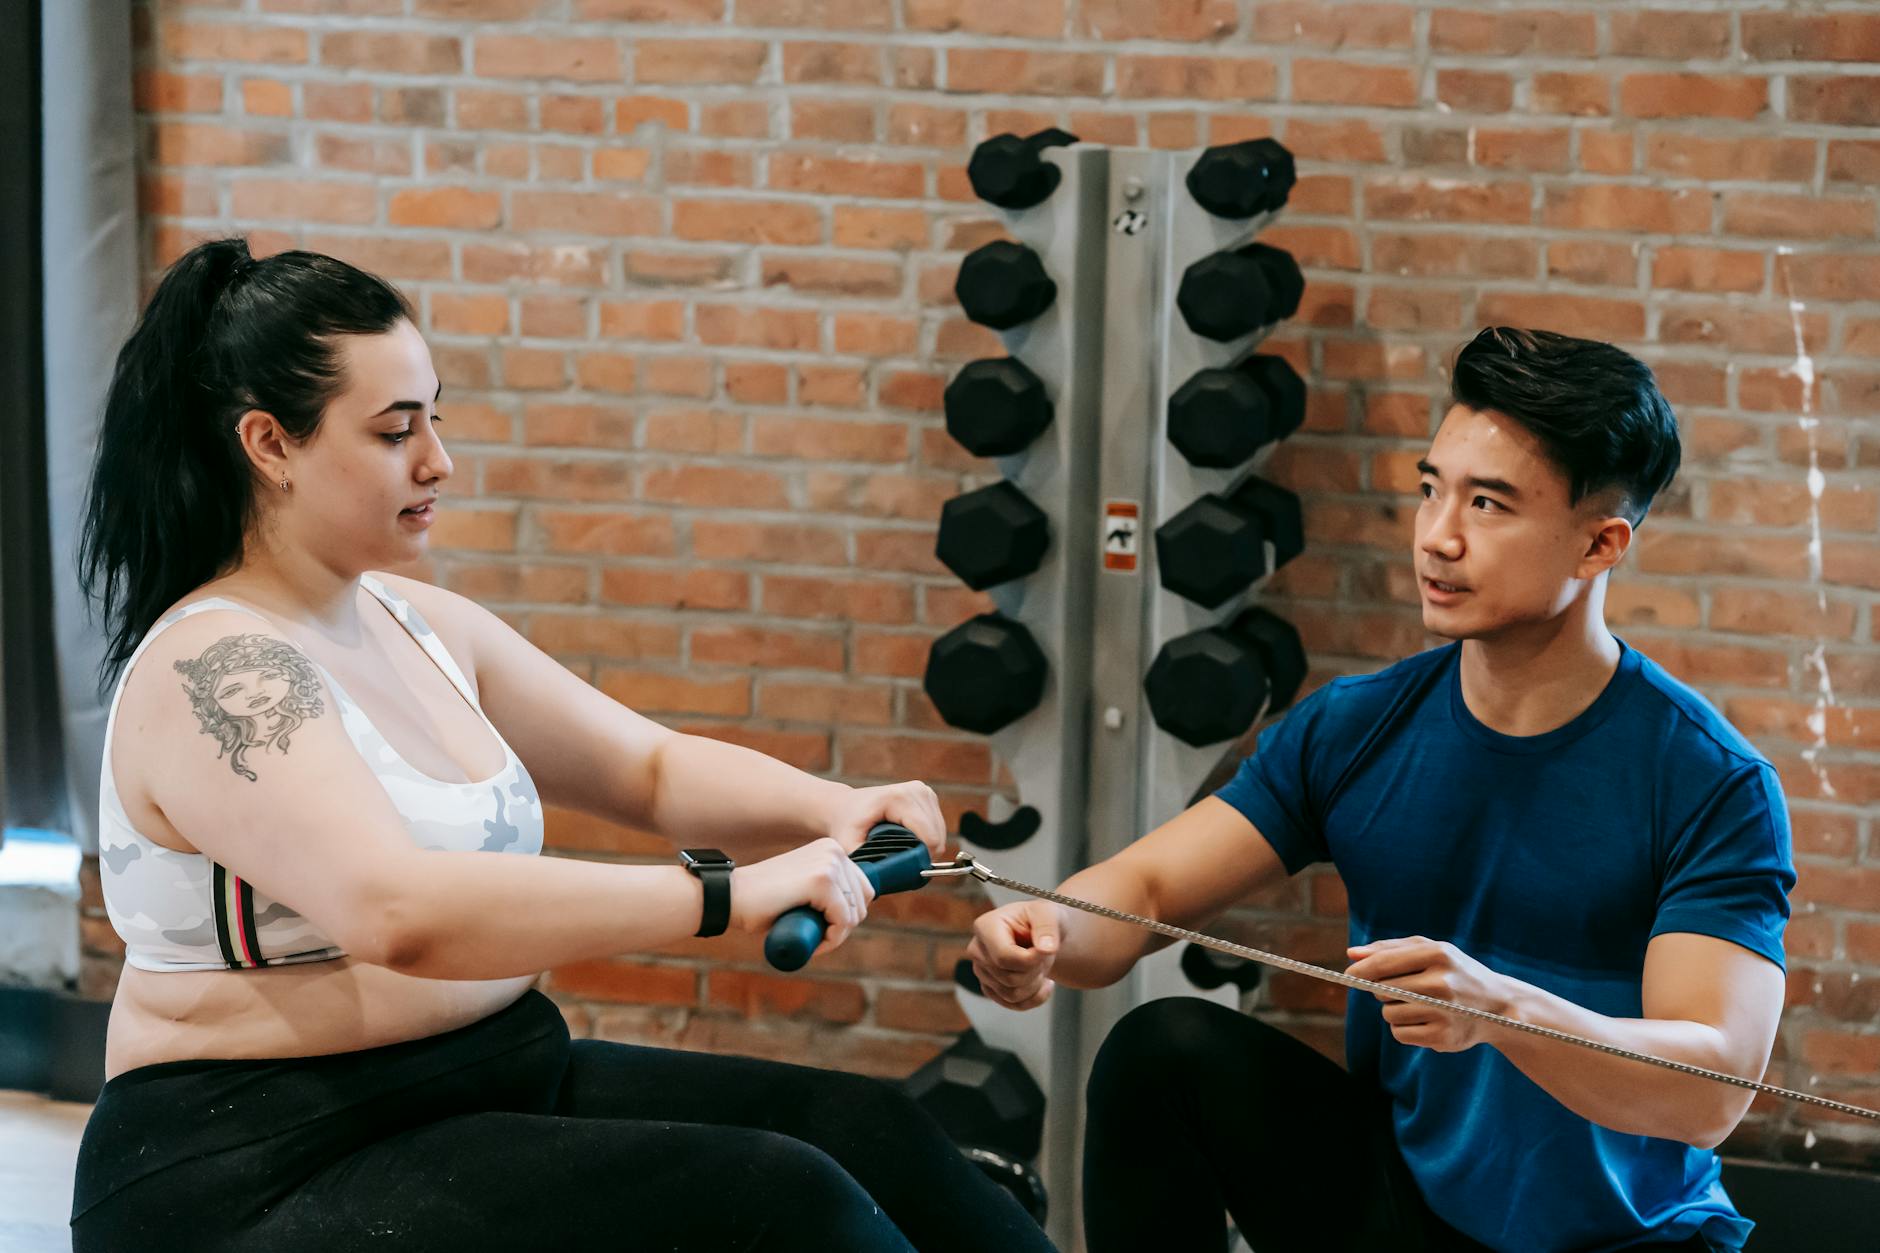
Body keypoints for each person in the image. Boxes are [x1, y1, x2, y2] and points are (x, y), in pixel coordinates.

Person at [69, 237, 1058, 1253]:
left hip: (487, 1079)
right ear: (269, 444)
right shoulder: (221, 666)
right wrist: (720, 894)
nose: (437, 460)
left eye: (434, 418)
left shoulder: (417, 621)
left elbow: (649, 768)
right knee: (778, 1197)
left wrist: (829, 806)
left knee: (869, 1129)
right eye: (392, 431)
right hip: (261, 1165)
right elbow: (395, 908)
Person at [968, 328, 1794, 1253]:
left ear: (1599, 544)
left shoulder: (1709, 782)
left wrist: (1504, 1012)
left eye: (1488, 505)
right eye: (1431, 489)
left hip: (1629, 1241)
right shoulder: (1358, 727)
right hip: (1407, 1212)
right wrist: (1048, 933)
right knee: (1162, 1053)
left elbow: (1713, 1091)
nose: (1438, 537)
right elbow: (1150, 886)